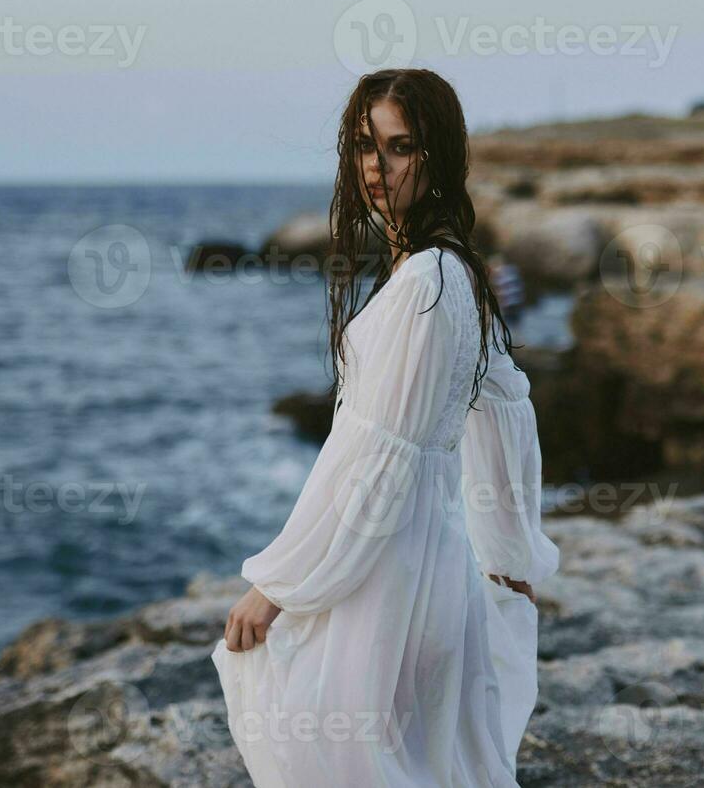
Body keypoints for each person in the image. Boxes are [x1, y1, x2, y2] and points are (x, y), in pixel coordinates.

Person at [210, 68, 560, 786]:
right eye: (365, 146)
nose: (377, 167)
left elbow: (379, 453)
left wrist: (278, 585)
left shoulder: (427, 283)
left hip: (388, 581)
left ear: (438, 155)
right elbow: (503, 407)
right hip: (437, 573)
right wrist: (507, 556)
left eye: (400, 147)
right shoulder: (453, 271)